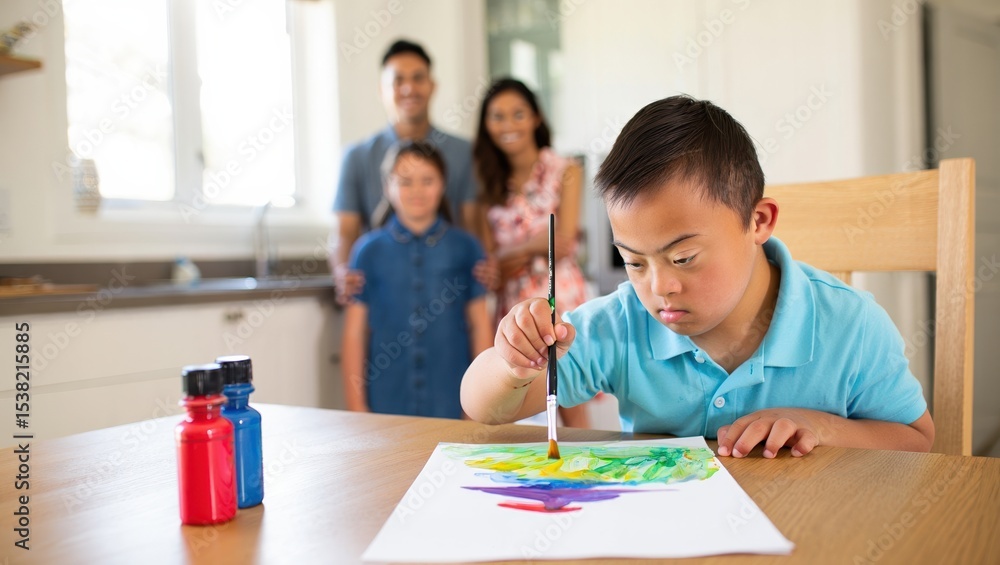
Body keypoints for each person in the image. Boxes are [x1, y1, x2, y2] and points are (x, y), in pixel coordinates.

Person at [460, 95, 935, 457]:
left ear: (758, 222)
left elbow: (917, 442)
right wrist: (510, 362)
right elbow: (483, 410)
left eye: (683, 258)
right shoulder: (624, 322)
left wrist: (822, 426)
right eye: (635, 262)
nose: (659, 288)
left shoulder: (849, 324)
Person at [471, 78, 591, 428]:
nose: (508, 125)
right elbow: (491, 264)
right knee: (513, 393)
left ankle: (584, 470)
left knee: (569, 392)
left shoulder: (566, 169)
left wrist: (512, 251)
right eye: (497, 117)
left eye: (518, 114)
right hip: (511, 300)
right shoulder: (487, 182)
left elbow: (563, 242)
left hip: (559, 293)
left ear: (536, 118)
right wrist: (531, 246)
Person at [342, 140, 492, 419]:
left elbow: (480, 325)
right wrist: (356, 407)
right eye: (405, 181)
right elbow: (354, 333)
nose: (417, 190)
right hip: (386, 401)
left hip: (451, 398)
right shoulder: (367, 250)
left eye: (427, 180)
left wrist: (477, 405)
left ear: (443, 184)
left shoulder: (467, 248)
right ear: (388, 186)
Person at [331, 39, 482, 305]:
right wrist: (343, 272)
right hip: (383, 296)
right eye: (398, 80)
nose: (409, 88)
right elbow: (345, 231)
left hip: (450, 297)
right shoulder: (356, 157)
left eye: (418, 78)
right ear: (382, 90)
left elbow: (473, 226)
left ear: (432, 86)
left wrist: (484, 268)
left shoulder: (464, 153)